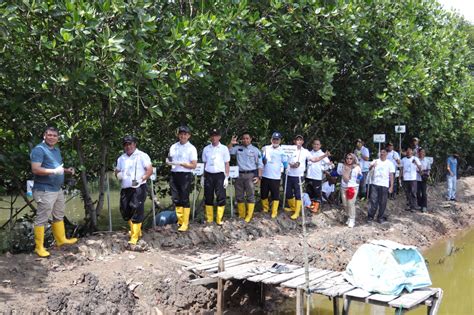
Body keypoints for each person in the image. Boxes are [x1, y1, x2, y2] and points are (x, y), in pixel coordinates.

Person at [30, 126, 78, 257]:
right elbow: (35, 169)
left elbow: (57, 167)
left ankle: (61, 240)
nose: (51, 137)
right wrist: (53, 171)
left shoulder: (56, 150)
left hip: (57, 189)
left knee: (58, 215)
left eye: (54, 136)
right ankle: (39, 247)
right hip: (44, 190)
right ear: (44, 135)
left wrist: (67, 170)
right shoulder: (39, 150)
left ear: (57, 138)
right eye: (49, 135)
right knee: (42, 218)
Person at [115, 135, 153, 246]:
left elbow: (149, 170)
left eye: (130, 144)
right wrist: (118, 175)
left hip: (138, 187)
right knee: (125, 211)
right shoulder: (121, 158)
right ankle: (136, 231)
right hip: (125, 188)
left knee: (137, 209)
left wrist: (142, 178)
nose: (128, 146)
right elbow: (116, 170)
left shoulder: (142, 156)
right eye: (126, 144)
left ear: (134, 144)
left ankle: (135, 236)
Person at [167, 126, 197, 231]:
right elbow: (169, 159)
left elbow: (193, 165)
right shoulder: (173, 146)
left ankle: (185, 223)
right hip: (174, 173)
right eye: (181, 134)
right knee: (176, 198)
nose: (183, 136)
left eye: (185, 134)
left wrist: (182, 164)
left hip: (185, 175)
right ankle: (180, 221)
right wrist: (168, 161)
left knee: (184, 198)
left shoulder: (191, 148)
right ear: (178, 135)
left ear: (189, 136)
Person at [228, 132, 263, 222]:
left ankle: (249, 216)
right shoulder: (238, 148)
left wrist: (259, 177)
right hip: (239, 175)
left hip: (250, 175)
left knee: (250, 195)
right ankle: (241, 214)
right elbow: (227, 151)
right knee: (239, 196)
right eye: (244, 138)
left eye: (247, 138)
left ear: (251, 139)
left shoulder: (256, 150)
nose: (245, 140)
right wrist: (231, 143)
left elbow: (260, 164)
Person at [202, 129, 230, 225]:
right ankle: (209, 219)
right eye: (212, 135)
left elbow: (227, 164)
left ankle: (219, 219)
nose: (214, 137)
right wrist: (203, 176)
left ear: (219, 137)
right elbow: (204, 163)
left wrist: (226, 177)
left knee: (221, 196)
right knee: (208, 196)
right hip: (208, 175)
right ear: (210, 137)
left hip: (220, 175)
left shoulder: (224, 148)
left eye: (216, 135)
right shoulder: (206, 149)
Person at [261, 132, 288, 219]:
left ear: (280, 140)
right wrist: (263, 160)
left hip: (275, 177)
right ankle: (265, 209)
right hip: (265, 175)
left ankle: (274, 211)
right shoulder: (265, 148)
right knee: (263, 194)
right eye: (274, 139)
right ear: (271, 139)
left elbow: (285, 163)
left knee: (275, 195)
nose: (275, 141)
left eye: (277, 139)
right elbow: (261, 160)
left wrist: (287, 168)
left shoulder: (282, 151)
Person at [284, 135, 312, 220]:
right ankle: (293, 207)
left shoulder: (305, 151)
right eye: (297, 140)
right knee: (288, 192)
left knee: (298, 194)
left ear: (303, 142)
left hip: (299, 176)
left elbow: (313, 159)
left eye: (300, 140)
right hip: (289, 174)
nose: (299, 141)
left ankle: (297, 211)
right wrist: (290, 165)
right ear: (294, 141)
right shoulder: (289, 149)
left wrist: (324, 156)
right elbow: (284, 159)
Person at [367, 148, 395, 223]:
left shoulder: (390, 163)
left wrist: (391, 186)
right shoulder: (375, 161)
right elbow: (369, 168)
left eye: (384, 152)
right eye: (381, 152)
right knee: (373, 201)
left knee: (383, 202)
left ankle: (380, 217)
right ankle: (370, 217)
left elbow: (391, 175)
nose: (382, 153)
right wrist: (372, 166)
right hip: (375, 183)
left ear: (387, 154)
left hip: (384, 185)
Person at [306, 139, 332, 212]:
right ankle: (310, 205)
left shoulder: (322, 154)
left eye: (317, 144)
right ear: (312, 145)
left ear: (320, 146)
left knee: (317, 191)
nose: (316, 146)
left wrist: (325, 168)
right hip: (309, 175)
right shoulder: (309, 153)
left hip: (317, 176)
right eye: (314, 144)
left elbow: (329, 165)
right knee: (309, 191)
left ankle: (316, 207)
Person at [338, 153, 362, 228]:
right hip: (344, 187)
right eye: (347, 158)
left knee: (351, 203)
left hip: (353, 187)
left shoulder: (357, 167)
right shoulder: (342, 166)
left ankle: (352, 219)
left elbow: (360, 176)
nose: (349, 160)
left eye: (351, 158)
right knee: (345, 204)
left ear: (353, 159)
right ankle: (349, 217)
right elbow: (338, 173)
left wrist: (357, 179)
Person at [400, 147, 422, 212]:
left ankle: (414, 206)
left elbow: (420, 168)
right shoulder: (403, 159)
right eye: (407, 151)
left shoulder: (415, 158)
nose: (409, 152)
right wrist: (400, 177)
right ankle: (409, 205)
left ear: (412, 152)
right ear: (406, 152)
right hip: (405, 178)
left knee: (413, 192)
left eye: (410, 151)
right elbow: (401, 168)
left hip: (413, 178)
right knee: (407, 193)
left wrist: (416, 163)